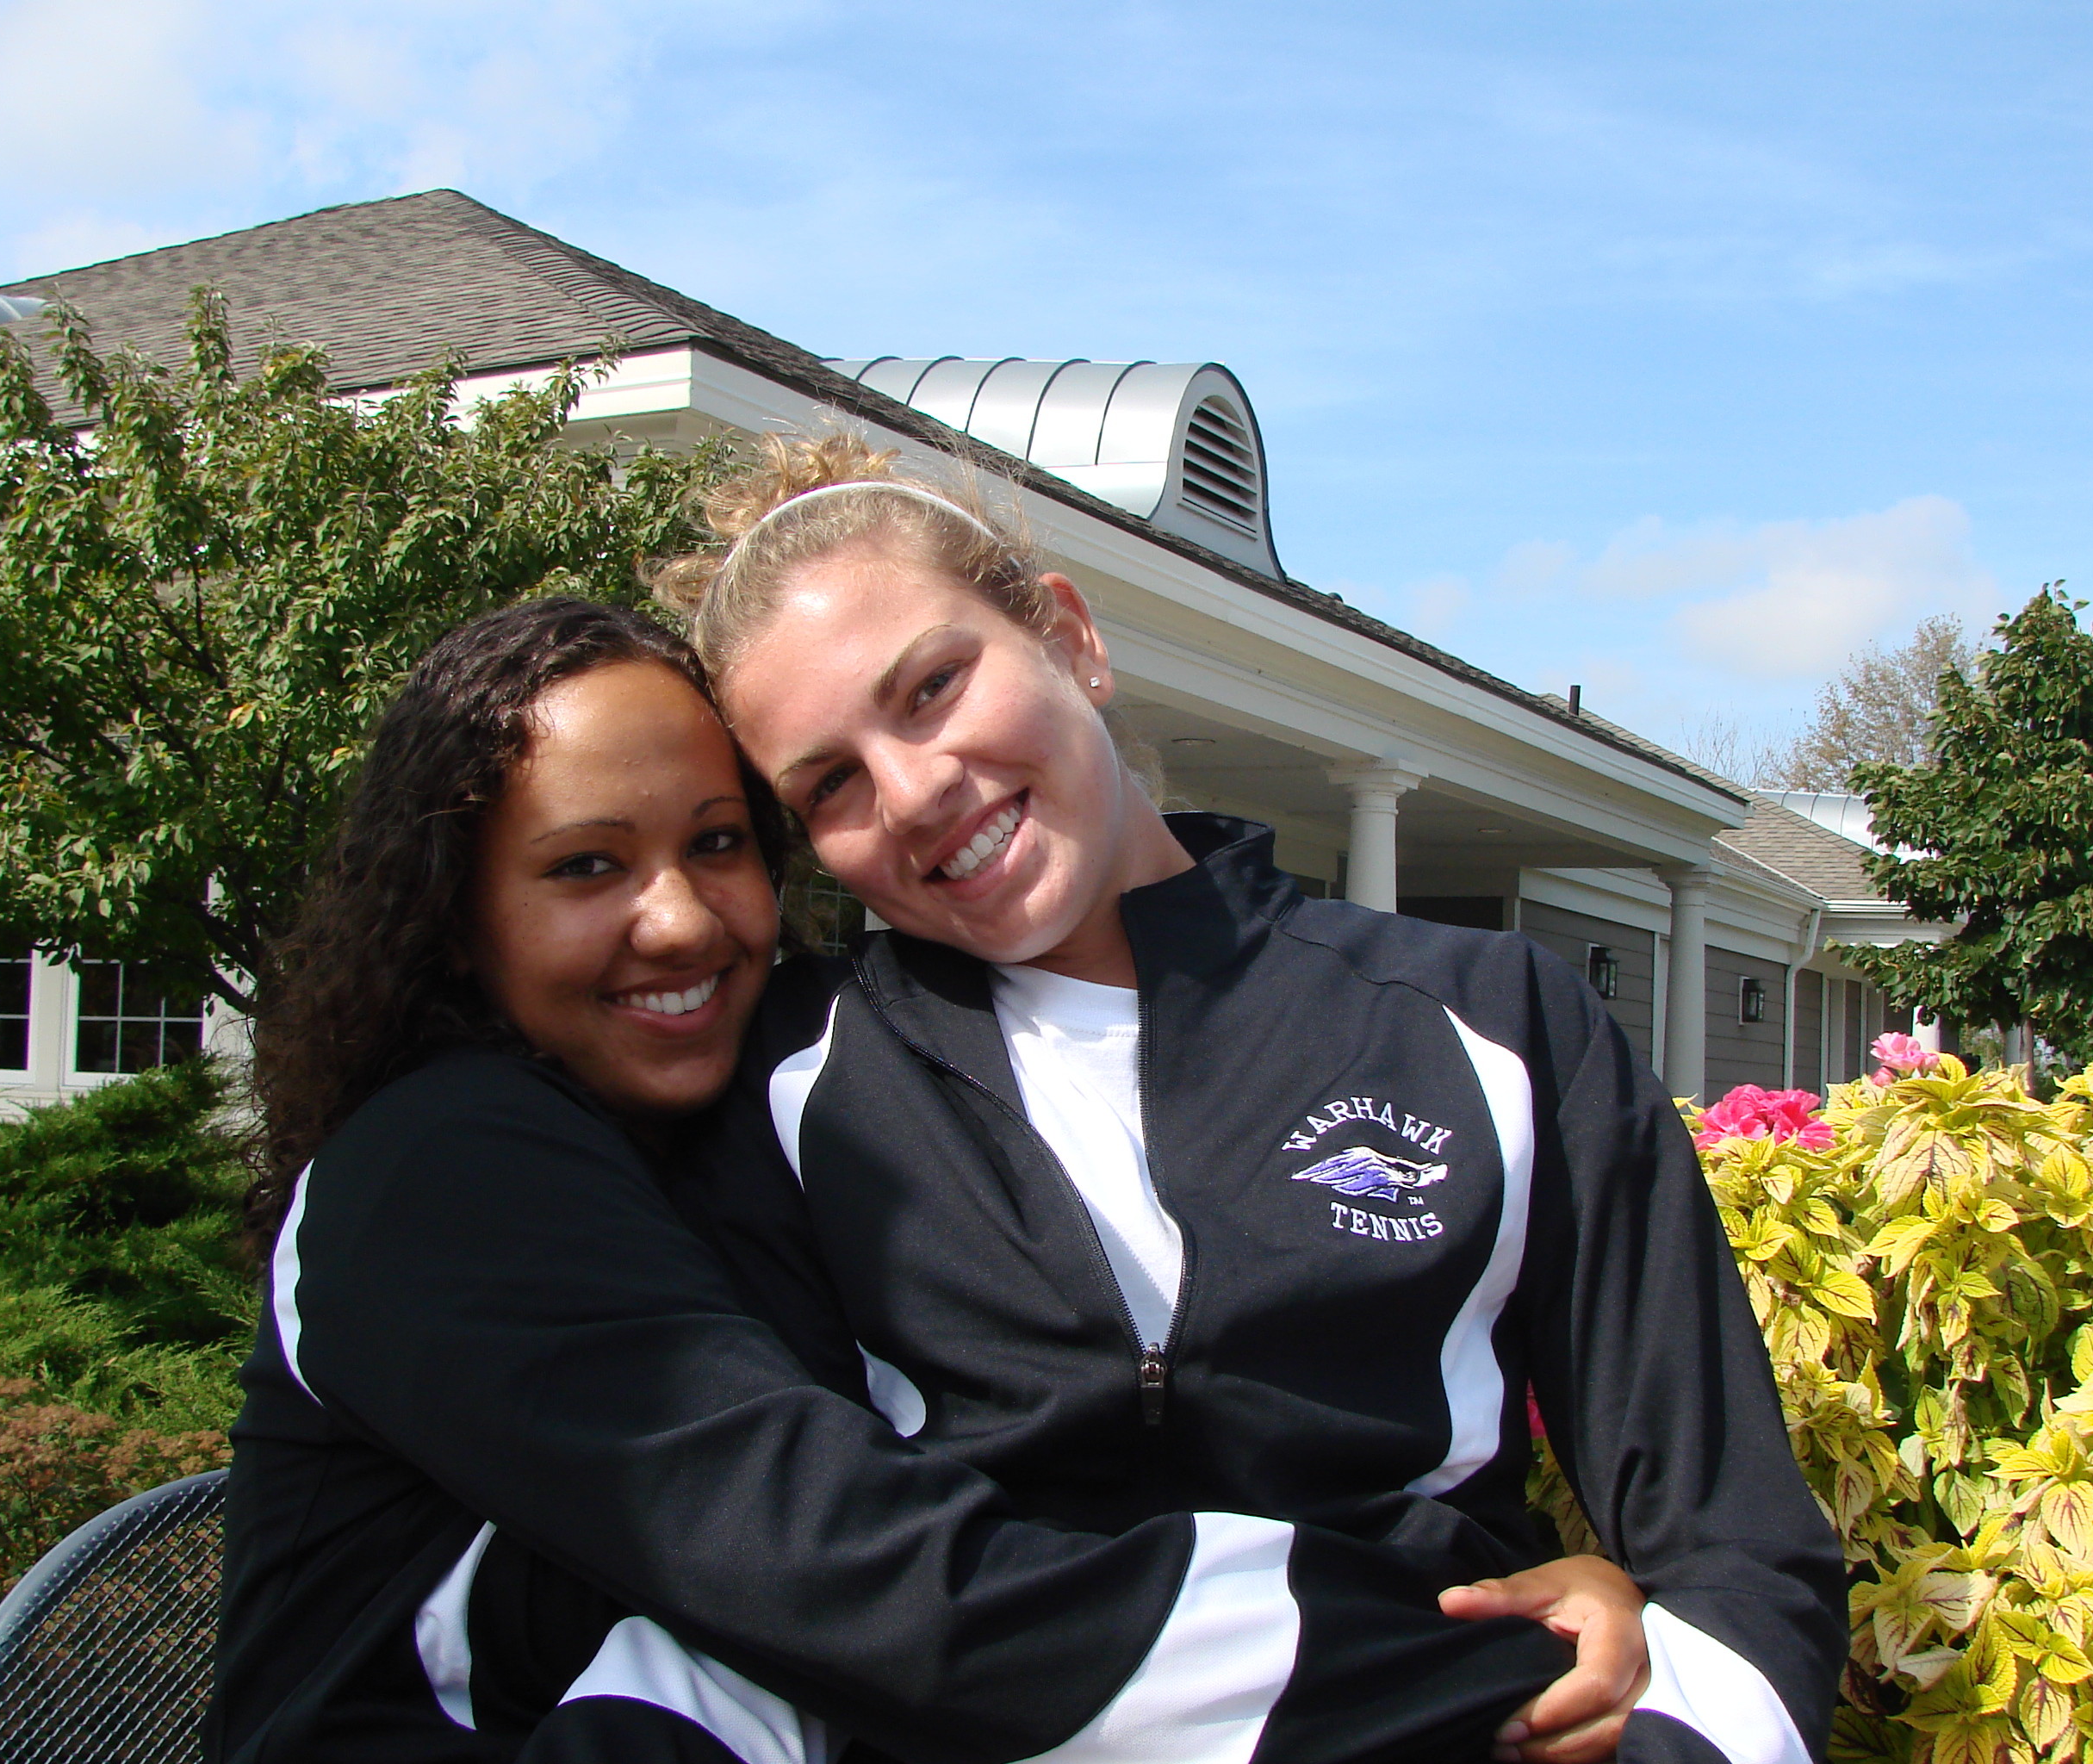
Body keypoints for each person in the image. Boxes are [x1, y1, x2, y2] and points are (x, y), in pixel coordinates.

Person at [210, 597, 1635, 1764]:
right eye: (587, 866)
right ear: (457, 920)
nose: (681, 920)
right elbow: (869, 1578)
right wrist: (1486, 1658)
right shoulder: (440, 1170)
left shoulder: (728, 1140)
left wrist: (1499, 1570)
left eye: (718, 843)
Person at [661, 438, 1851, 1764]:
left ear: (1070, 637)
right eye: (828, 782)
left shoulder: (1495, 1023)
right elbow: (767, 1577)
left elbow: (1743, 1567)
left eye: (934, 686)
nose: (914, 789)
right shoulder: (784, 1082)